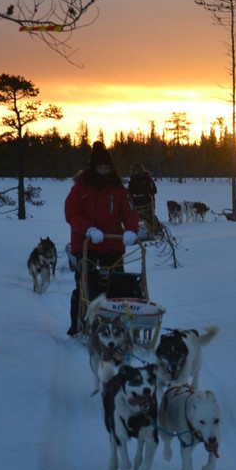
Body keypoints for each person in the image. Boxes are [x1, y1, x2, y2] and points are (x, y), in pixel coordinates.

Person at [64, 142, 141, 335]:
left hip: (112, 242)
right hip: (85, 243)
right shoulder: (80, 190)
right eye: (101, 168)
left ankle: (117, 321)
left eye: (107, 168)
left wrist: (131, 230)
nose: (104, 171)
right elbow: (71, 214)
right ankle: (78, 322)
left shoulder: (119, 190)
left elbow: (130, 213)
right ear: (94, 168)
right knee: (85, 282)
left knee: (117, 281)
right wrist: (87, 228)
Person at [128, 164, 160, 233]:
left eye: (138, 170)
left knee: (149, 216)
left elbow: (154, 190)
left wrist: (147, 193)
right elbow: (130, 191)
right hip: (137, 201)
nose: (136, 171)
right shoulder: (132, 180)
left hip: (148, 201)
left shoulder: (147, 178)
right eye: (135, 170)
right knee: (135, 216)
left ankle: (156, 229)